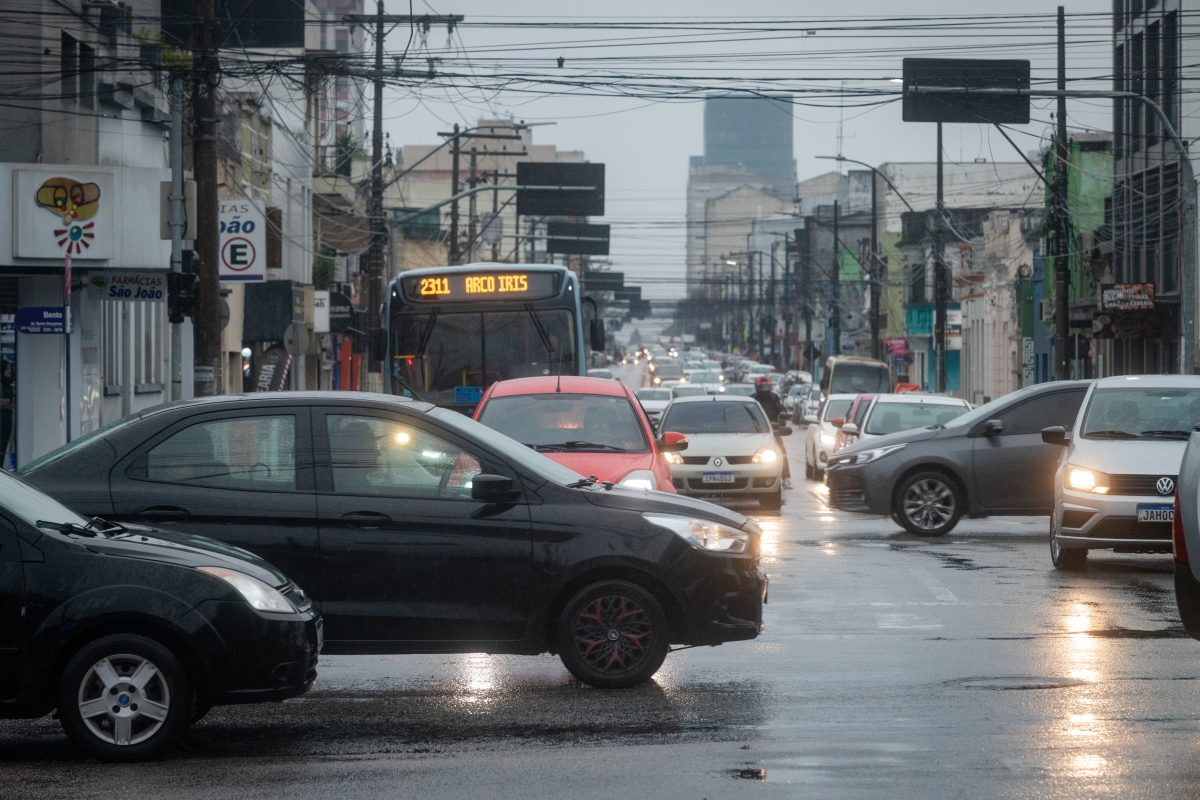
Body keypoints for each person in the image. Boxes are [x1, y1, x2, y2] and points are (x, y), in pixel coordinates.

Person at [753, 376, 791, 485]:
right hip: (755, 432)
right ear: (756, 387)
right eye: (761, 387)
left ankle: (785, 476)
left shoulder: (774, 398)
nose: (764, 389)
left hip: (772, 431)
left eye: (766, 386)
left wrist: (783, 415)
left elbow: (781, 409)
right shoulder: (753, 400)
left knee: (781, 452)